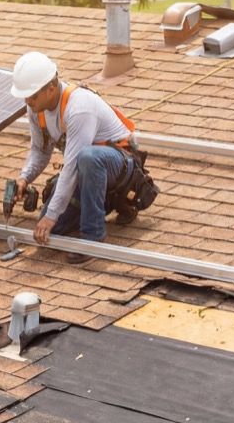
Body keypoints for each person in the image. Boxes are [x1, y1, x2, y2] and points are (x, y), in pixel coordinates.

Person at [10, 51, 141, 265]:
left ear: (51, 88)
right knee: (54, 230)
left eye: (32, 95)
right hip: (87, 171)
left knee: (87, 157)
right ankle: (112, 201)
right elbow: (40, 150)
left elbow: (71, 167)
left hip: (122, 163)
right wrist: (25, 178)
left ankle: (93, 236)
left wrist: (52, 213)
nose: (27, 101)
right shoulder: (36, 108)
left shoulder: (79, 107)